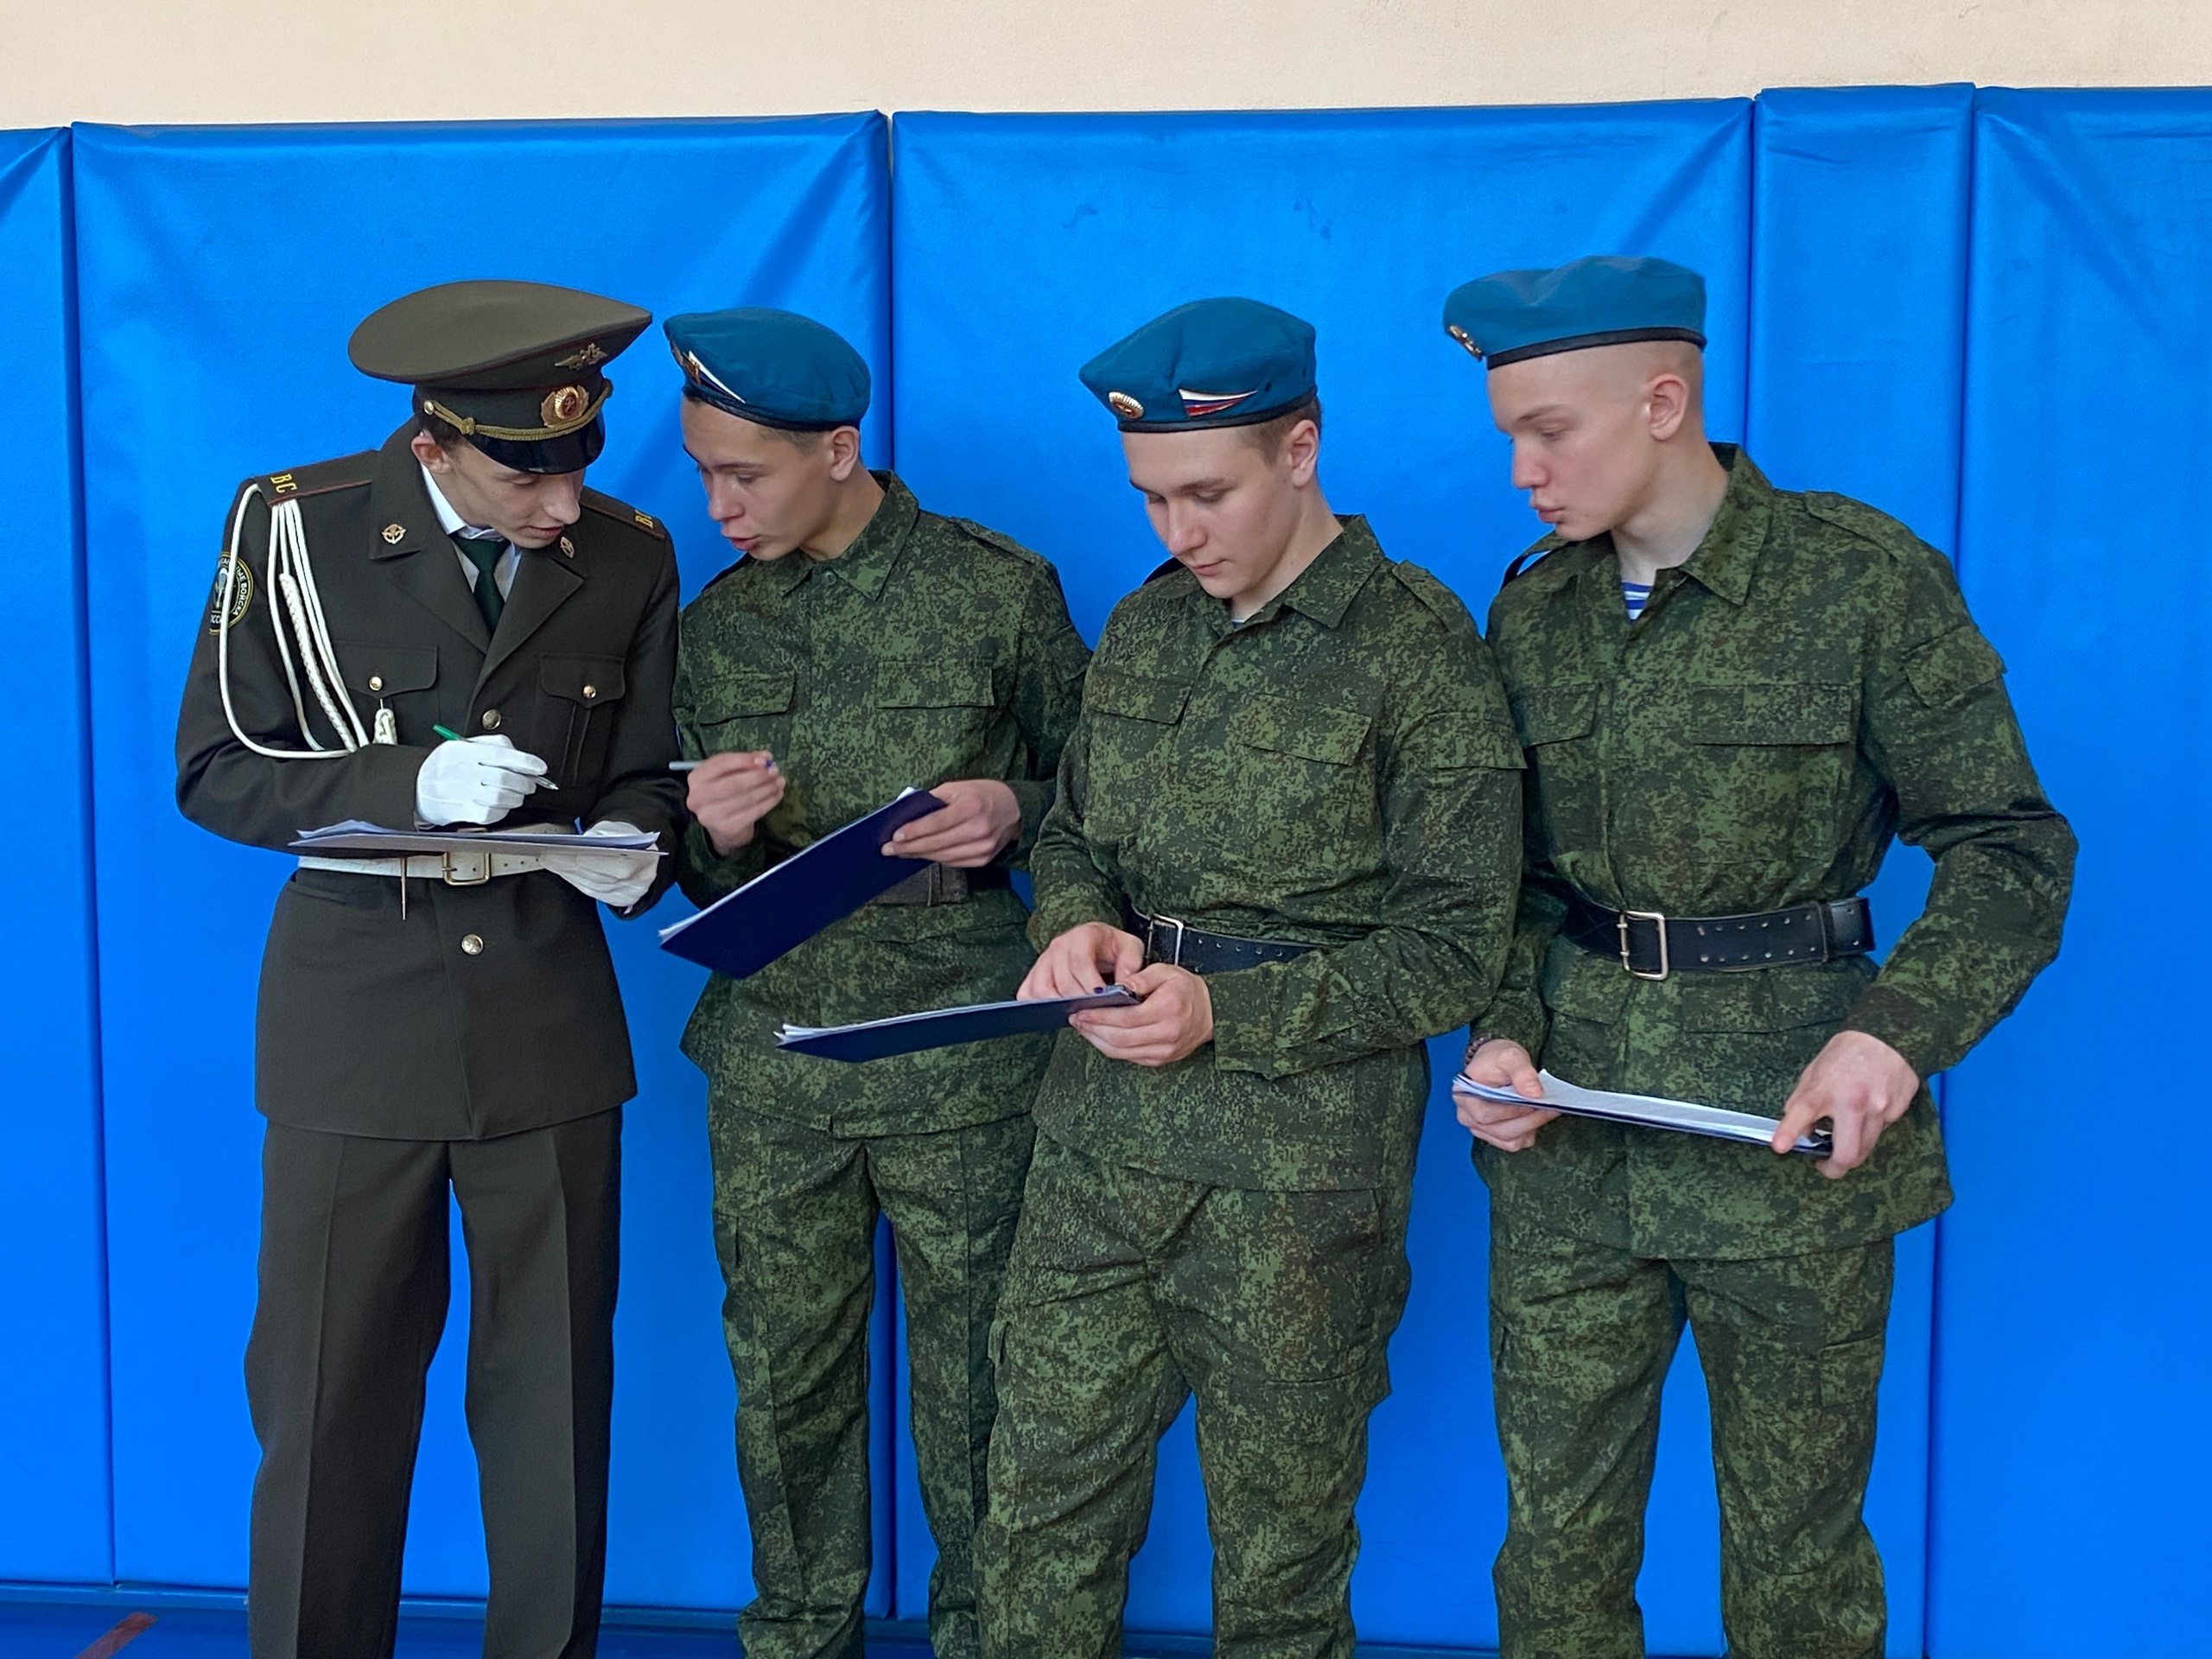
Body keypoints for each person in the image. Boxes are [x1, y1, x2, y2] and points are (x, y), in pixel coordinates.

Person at [1445, 255, 2076, 1659]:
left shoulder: (1860, 581)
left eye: (1550, 432)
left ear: (1663, 403)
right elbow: (1508, 880)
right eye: (1510, 438)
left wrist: (1893, 1036)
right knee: (1552, 1558)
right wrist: (1499, 1034)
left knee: (1797, 1569)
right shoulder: (1532, 611)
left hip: (1783, 1148)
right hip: (1571, 1149)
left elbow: (2010, 850)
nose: (1522, 473)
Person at [976, 296, 1524, 1659]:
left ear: (1300, 450)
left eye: (1207, 494)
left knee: (1281, 1569)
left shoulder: (1417, 650)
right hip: (1098, 1152)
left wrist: (1228, 1008)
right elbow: (1076, 835)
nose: (1179, 532)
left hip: (1297, 1183)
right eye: (1152, 499)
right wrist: (1079, 924)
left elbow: (1457, 945)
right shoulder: (1148, 626)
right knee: (1036, 1531)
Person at [175, 278, 686, 1659]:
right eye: (526, 475)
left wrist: (638, 843)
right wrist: (408, 782)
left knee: (552, 1406)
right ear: (433, 444)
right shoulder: (295, 527)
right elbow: (216, 769)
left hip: (545, 1009)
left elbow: (644, 767)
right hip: (359, 1015)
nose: (563, 504)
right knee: (328, 1401)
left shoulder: (630, 555)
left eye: (579, 464)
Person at [664, 307, 1089, 1659]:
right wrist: (711, 835)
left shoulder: (996, 590)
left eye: (745, 475)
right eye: (705, 474)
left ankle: (989, 1635)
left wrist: (1015, 811)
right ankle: (799, 1632)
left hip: (956, 1042)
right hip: (775, 1051)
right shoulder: (716, 625)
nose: (719, 505)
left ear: (839, 451)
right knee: (782, 1373)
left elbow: (1106, 801)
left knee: (981, 1374)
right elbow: (694, 874)